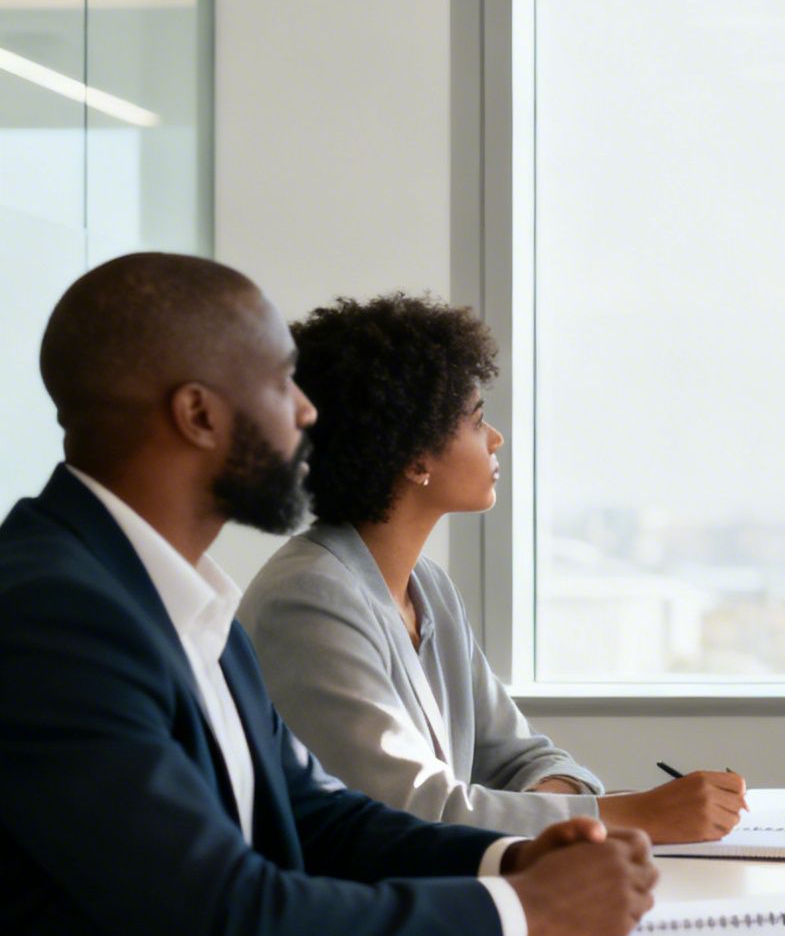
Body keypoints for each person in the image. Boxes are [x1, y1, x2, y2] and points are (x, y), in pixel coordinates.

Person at [0, 254, 657, 936]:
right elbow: (229, 928)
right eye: (282, 382)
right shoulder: (54, 613)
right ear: (199, 414)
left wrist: (512, 859)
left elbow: (318, 817)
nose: (309, 413)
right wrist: (530, 911)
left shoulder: (179, 597)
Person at [239, 294, 745, 841]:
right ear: (415, 457)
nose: (496, 438)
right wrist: (633, 815)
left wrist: (543, 810)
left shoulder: (427, 587)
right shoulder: (308, 600)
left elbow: (525, 758)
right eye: (477, 420)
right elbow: (405, 810)